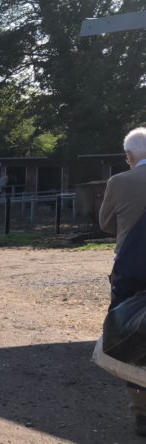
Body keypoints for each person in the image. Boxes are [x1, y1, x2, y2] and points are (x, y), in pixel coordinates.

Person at [99, 127, 146, 436]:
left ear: (130, 157)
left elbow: (104, 223)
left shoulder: (120, 182)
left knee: (130, 334)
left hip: (132, 272)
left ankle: (141, 411)